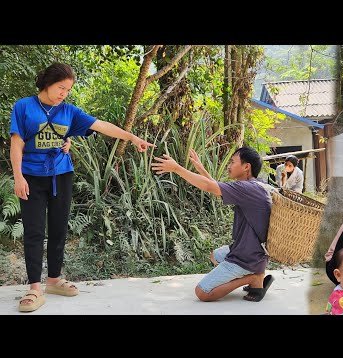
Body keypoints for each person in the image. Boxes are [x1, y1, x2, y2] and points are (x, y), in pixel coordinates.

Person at [10, 63, 155, 312]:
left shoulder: (69, 111)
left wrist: (132, 137)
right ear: (47, 83)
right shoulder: (24, 106)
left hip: (62, 175)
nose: (64, 93)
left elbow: (102, 126)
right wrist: (18, 177)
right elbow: (17, 143)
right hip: (31, 176)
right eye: (60, 88)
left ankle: (54, 280)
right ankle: (35, 288)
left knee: (58, 229)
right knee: (34, 231)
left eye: (67, 90)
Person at [151, 147, 275, 302]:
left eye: (232, 162)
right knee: (215, 256)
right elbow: (217, 189)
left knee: (203, 292)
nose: (229, 166)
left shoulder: (247, 188)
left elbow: (210, 187)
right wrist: (201, 169)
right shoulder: (255, 186)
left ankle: (253, 278)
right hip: (251, 250)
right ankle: (254, 274)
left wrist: (176, 168)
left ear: (246, 167)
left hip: (247, 257)